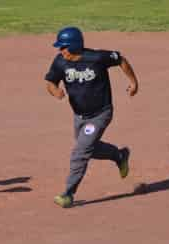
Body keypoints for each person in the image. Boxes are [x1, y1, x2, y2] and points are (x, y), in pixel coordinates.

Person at [44, 27, 139, 208]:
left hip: (101, 114)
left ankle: (68, 194)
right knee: (90, 148)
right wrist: (55, 91)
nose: (60, 51)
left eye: (63, 47)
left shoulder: (96, 58)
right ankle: (119, 155)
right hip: (79, 116)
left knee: (80, 152)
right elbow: (50, 82)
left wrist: (134, 83)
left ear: (74, 46)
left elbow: (120, 59)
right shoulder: (60, 62)